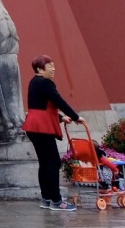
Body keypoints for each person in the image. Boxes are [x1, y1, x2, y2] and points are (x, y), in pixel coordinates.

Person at [20, 54, 81, 212]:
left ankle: (46, 198)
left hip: (34, 126)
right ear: (40, 69)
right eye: (50, 66)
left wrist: (61, 118)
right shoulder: (46, 83)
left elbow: (41, 105)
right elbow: (59, 101)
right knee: (53, 162)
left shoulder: (34, 82)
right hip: (42, 127)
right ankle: (56, 201)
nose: (53, 69)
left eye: (53, 65)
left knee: (45, 163)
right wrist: (76, 117)